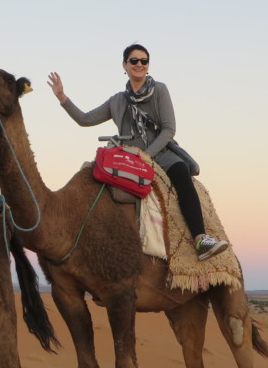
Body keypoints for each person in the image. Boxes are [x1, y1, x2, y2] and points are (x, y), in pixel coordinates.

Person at [47, 44, 229, 260]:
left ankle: (200, 238)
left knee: (181, 172)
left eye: (144, 60)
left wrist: (147, 155)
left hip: (160, 152)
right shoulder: (117, 100)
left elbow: (169, 129)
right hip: (128, 156)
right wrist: (62, 97)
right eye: (134, 60)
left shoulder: (159, 90)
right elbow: (85, 119)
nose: (139, 64)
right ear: (124, 65)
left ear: (148, 65)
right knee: (94, 178)